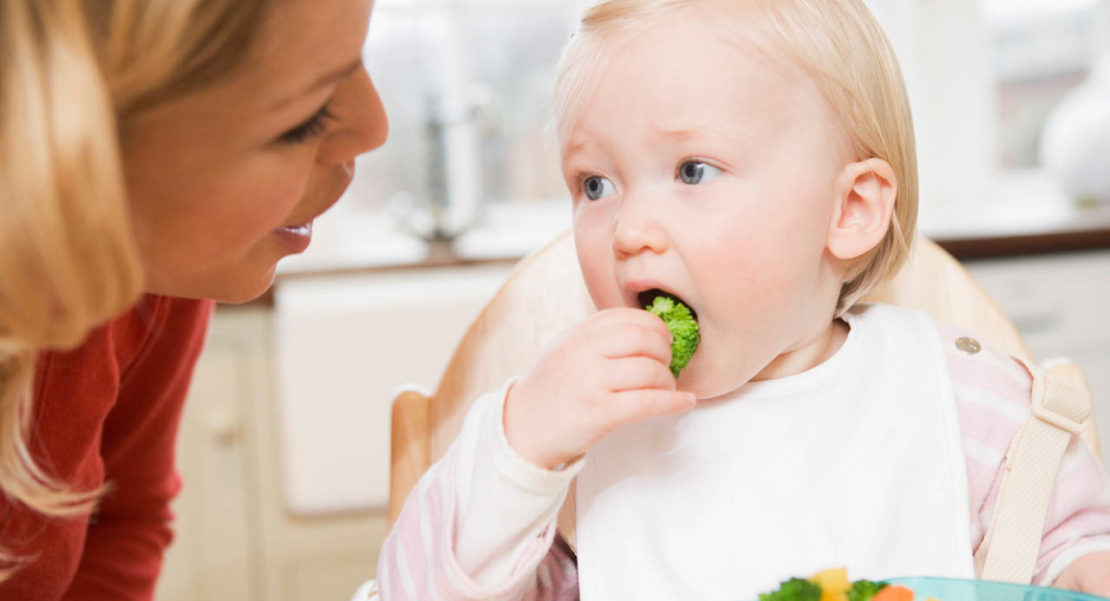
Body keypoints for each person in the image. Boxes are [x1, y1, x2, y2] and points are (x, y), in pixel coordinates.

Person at [372, 0, 1110, 599]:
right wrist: (520, 450)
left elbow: (1063, 546)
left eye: (693, 170)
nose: (628, 229)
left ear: (848, 209)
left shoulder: (965, 400)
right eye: (594, 184)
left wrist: (1080, 567)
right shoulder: (574, 447)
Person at [0, 0, 386, 598]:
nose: (375, 128)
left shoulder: (157, 270)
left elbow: (123, 522)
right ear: (75, 147)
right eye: (302, 121)